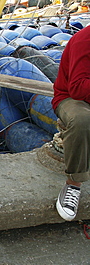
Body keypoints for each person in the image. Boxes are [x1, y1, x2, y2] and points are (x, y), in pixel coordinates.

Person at [51, 25, 90, 221]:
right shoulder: (85, 40)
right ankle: (73, 183)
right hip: (72, 98)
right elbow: (77, 88)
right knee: (82, 121)